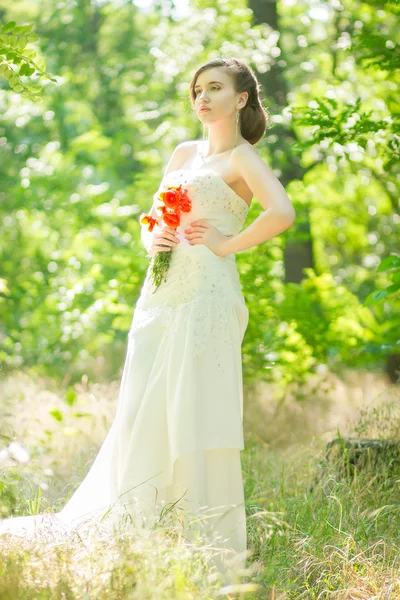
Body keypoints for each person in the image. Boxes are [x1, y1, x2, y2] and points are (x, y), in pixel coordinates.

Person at [0, 57, 295, 576]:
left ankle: (204, 539)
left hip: (206, 292)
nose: (202, 97)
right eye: (197, 89)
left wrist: (228, 245)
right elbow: (154, 217)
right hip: (159, 292)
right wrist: (150, 237)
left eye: (215, 88)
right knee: (143, 405)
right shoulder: (184, 151)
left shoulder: (244, 158)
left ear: (241, 99)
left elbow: (283, 213)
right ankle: (140, 530)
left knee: (196, 406)